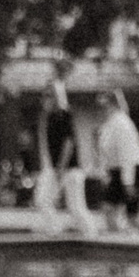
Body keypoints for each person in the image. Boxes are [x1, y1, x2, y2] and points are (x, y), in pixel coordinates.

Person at [35, 80, 93, 236]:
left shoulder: (64, 115)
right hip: (54, 168)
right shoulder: (49, 117)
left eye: (49, 96)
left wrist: (61, 167)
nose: (45, 99)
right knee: (42, 200)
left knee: (76, 207)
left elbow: (69, 142)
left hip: (70, 169)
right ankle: (54, 229)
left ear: (57, 97)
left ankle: (91, 234)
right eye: (44, 96)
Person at [95, 92, 139, 236]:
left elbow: (127, 154)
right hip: (116, 172)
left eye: (104, 105)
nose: (101, 109)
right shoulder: (108, 124)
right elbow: (105, 153)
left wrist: (128, 182)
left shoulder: (121, 123)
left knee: (133, 217)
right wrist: (104, 174)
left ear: (113, 104)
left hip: (130, 171)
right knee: (108, 210)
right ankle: (118, 240)